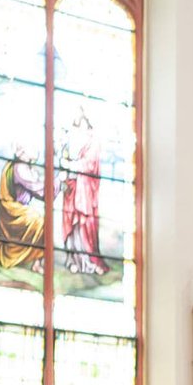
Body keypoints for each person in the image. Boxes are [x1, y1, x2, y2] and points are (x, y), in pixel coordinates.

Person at [0, 149, 45, 272]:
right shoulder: (19, 168)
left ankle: (36, 262)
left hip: (18, 208)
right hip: (11, 209)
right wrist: (56, 182)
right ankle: (12, 257)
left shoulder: (25, 168)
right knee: (38, 220)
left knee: (39, 220)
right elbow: (36, 189)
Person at [60, 106, 108, 276]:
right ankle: (73, 260)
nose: (78, 127)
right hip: (74, 188)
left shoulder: (94, 143)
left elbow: (88, 165)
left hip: (86, 192)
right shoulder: (77, 142)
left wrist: (70, 165)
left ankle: (88, 262)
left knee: (84, 224)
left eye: (80, 123)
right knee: (72, 224)